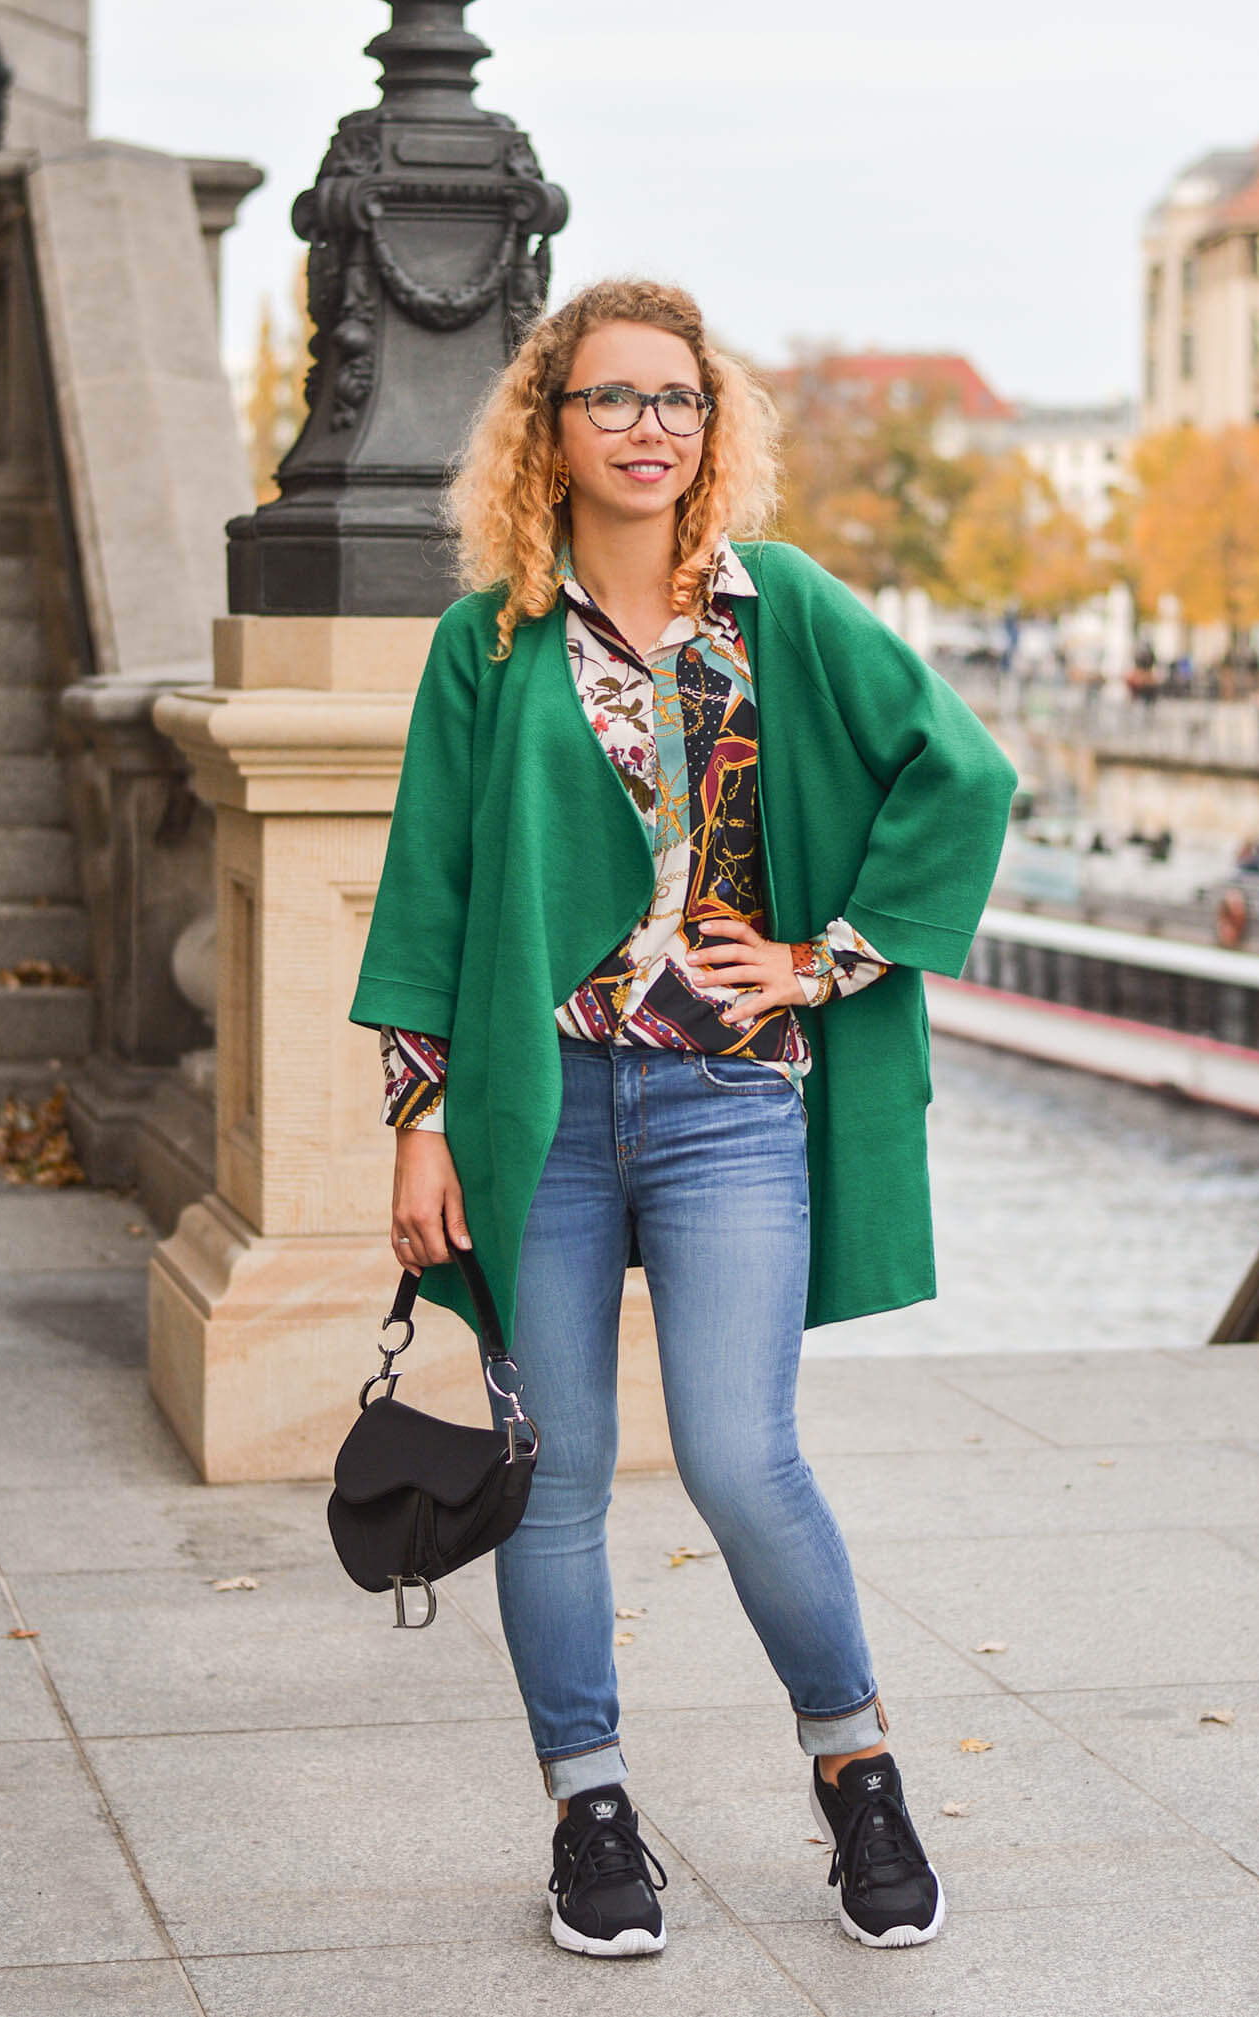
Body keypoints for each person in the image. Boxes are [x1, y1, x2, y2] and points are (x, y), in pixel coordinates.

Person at [349, 279, 1018, 1959]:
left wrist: (823, 958)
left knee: (742, 1456)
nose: (650, 428)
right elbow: (430, 886)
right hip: (543, 1109)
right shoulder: (488, 638)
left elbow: (965, 773)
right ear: (549, 430)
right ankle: (589, 1810)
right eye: (612, 400)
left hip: (729, 1102)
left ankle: (856, 1767)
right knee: (554, 1471)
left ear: (710, 429)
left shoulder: (774, 606)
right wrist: (421, 1120)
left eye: (679, 401)